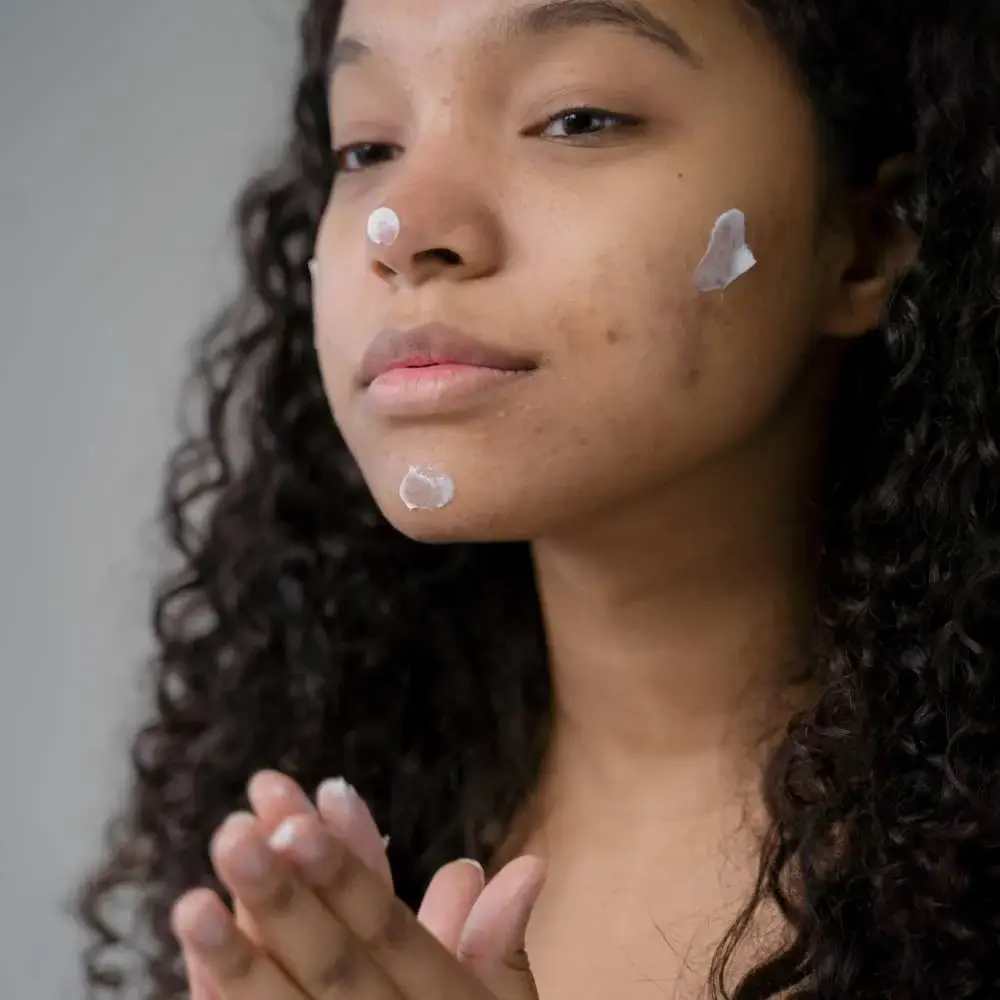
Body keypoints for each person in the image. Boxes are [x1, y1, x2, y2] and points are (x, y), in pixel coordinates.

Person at [78, 0, 1000, 998]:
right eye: (366, 145)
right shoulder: (338, 843)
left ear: (867, 236)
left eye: (576, 118)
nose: (404, 230)